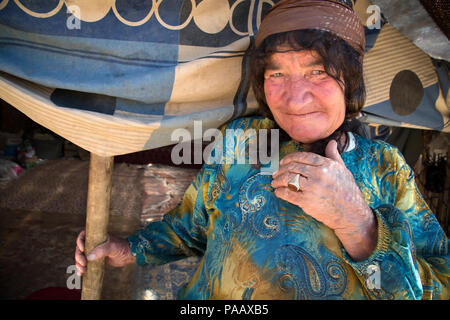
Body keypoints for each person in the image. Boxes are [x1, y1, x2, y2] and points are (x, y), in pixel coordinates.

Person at [75, 0, 449, 299]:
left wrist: (359, 225)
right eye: (277, 74)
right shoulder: (242, 141)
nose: (296, 97)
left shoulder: (385, 168)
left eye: (318, 71)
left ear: (350, 83)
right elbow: (191, 228)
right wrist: (129, 249)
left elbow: (438, 285)